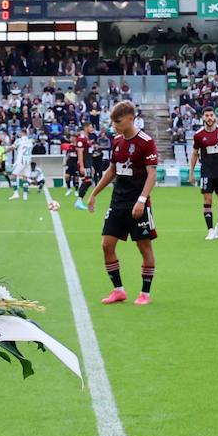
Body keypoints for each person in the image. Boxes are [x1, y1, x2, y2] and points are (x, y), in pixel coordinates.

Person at [85, 100, 157, 306]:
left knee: (144, 248)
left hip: (138, 205)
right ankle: (118, 290)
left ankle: (145, 293)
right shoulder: (117, 141)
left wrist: (142, 200)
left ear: (130, 119)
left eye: (117, 121)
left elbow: (152, 175)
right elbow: (112, 170)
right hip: (117, 203)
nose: (114, 125)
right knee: (107, 245)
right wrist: (95, 193)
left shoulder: (146, 141)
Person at [189, 106, 218, 240]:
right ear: (203, 118)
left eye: (211, 115)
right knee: (207, 201)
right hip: (206, 172)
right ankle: (210, 230)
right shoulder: (198, 135)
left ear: (214, 117)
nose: (209, 118)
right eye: (207, 115)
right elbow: (194, 154)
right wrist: (191, 172)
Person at [9, 129, 34, 201]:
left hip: (21, 161)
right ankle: (25, 195)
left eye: (20, 132)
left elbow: (12, 147)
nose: (19, 134)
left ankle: (16, 193)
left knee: (13, 176)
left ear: (22, 133)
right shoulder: (30, 141)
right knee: (25, 177)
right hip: (28, 161)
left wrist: (4, 151)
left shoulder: (19, 140)